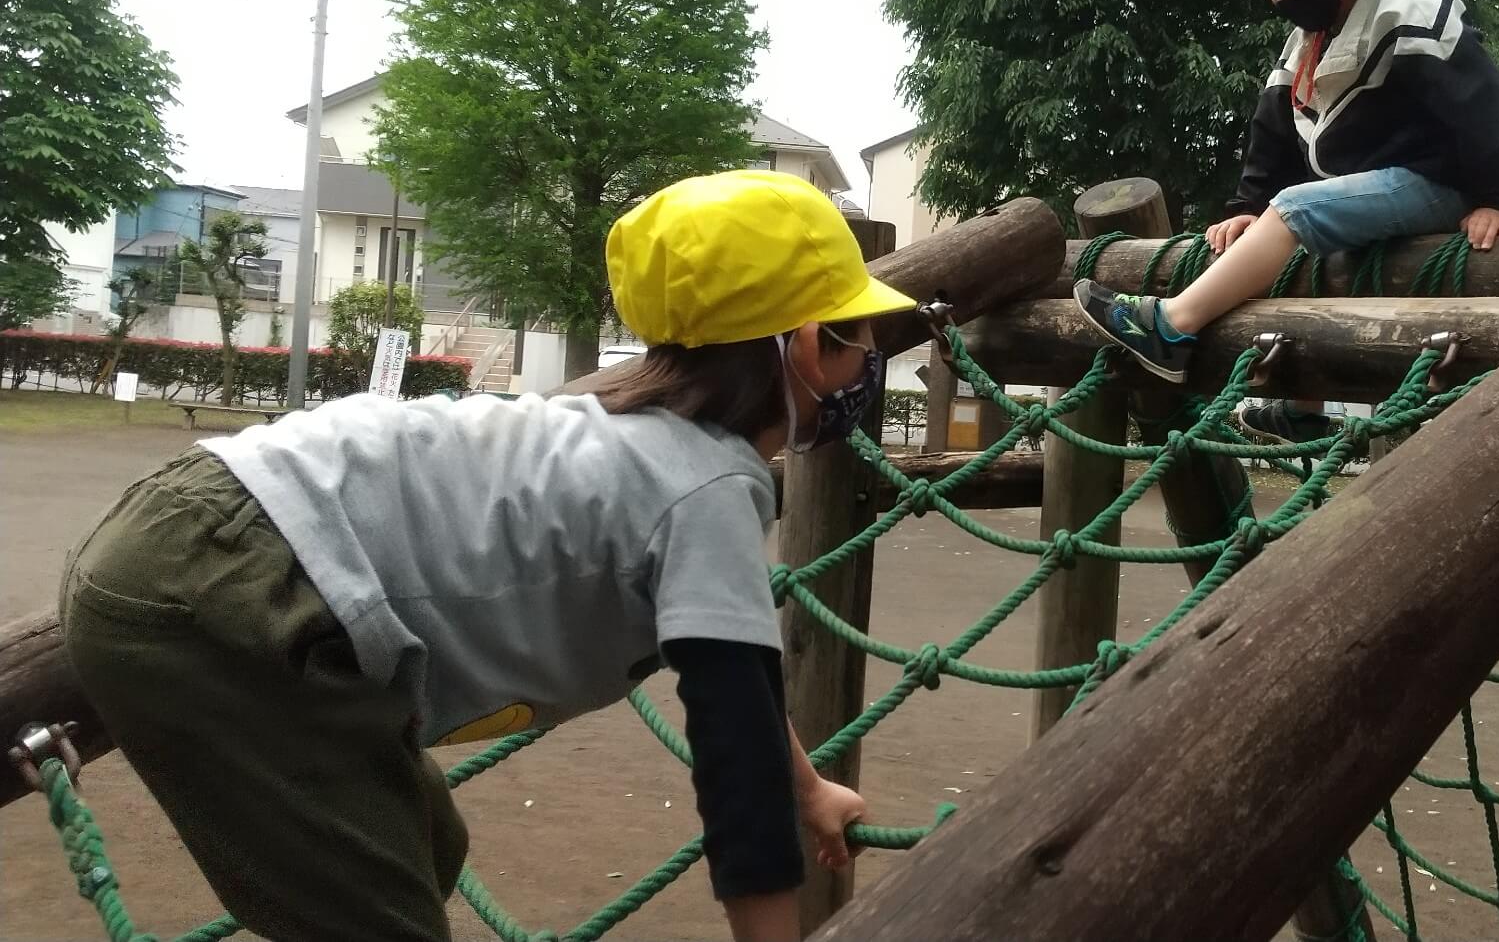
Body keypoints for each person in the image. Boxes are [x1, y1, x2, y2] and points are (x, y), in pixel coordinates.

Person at [59, 169, 915, 942]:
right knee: (378, 915)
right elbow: (739, 768)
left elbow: (742, 683)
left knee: (428, 838)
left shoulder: (632, 436)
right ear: (806, 345)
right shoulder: (707, 486)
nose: (868, 361)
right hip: (223, 588)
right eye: (859, 337)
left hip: (204, 530)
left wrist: (810, 790)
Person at [1073, 0, 1499, 443]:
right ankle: (1303, 407)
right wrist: (1247, 203)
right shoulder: (1309, 39)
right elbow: (1275, 125)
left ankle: (1173, 326)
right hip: (1367, 190)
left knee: (1296, 210)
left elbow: (1484, 104)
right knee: (1287, 232)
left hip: (1436, 182)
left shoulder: (1412, 7)